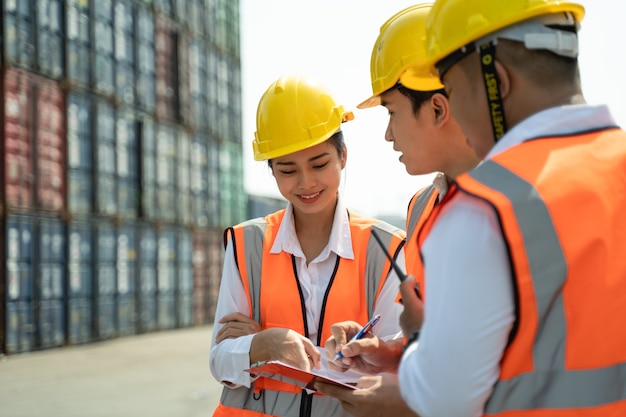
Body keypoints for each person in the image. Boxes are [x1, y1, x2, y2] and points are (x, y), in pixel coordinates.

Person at [395, 0, 626, 416]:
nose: (455, 116)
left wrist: (417, 340)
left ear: (496, 80)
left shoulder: (485, 210)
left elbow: (442, 398)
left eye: (451, 92)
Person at [209, 74, 407, 417]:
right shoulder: (247, 244)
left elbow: (395, 368)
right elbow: (219, 360)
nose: (306, 183)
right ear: (271, 171)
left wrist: (263, 348)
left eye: (319, 164)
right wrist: (263, 344)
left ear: (343, 156)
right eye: (288, 170)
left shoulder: (386, 248)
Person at [314, 4, 479, 416]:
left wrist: (410, 403)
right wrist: (392, 355)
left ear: (438, 108)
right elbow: (444, 338)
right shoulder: (422, 207)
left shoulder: (517, 202)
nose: (388, 134)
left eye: (391, 111)